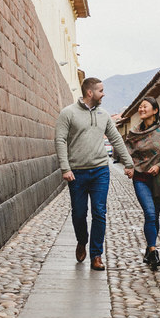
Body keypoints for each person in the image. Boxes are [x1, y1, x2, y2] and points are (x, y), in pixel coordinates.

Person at [54, 77, 133, 271]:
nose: (103, 94)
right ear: (90, 92)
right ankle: (82, 240)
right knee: (79, 214)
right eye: (101, 90)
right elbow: (60, 140)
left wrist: (129, 163)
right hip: (77, 173)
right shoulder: (68, 113)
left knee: (99, 212)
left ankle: (96, 255)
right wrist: (65, 168)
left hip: (100, 171)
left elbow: (116, 139)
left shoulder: (104, 115)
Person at [123, 96, 160, 270]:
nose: (141, 109)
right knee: (150, 214)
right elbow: (127, 153)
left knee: (154, 216)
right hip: (141, 179)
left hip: (159, 180)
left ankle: (149, 248)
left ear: (155, 110)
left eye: (145, 106)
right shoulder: (134, 133)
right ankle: (154, 252)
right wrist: (129, 166)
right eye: (140, 107)